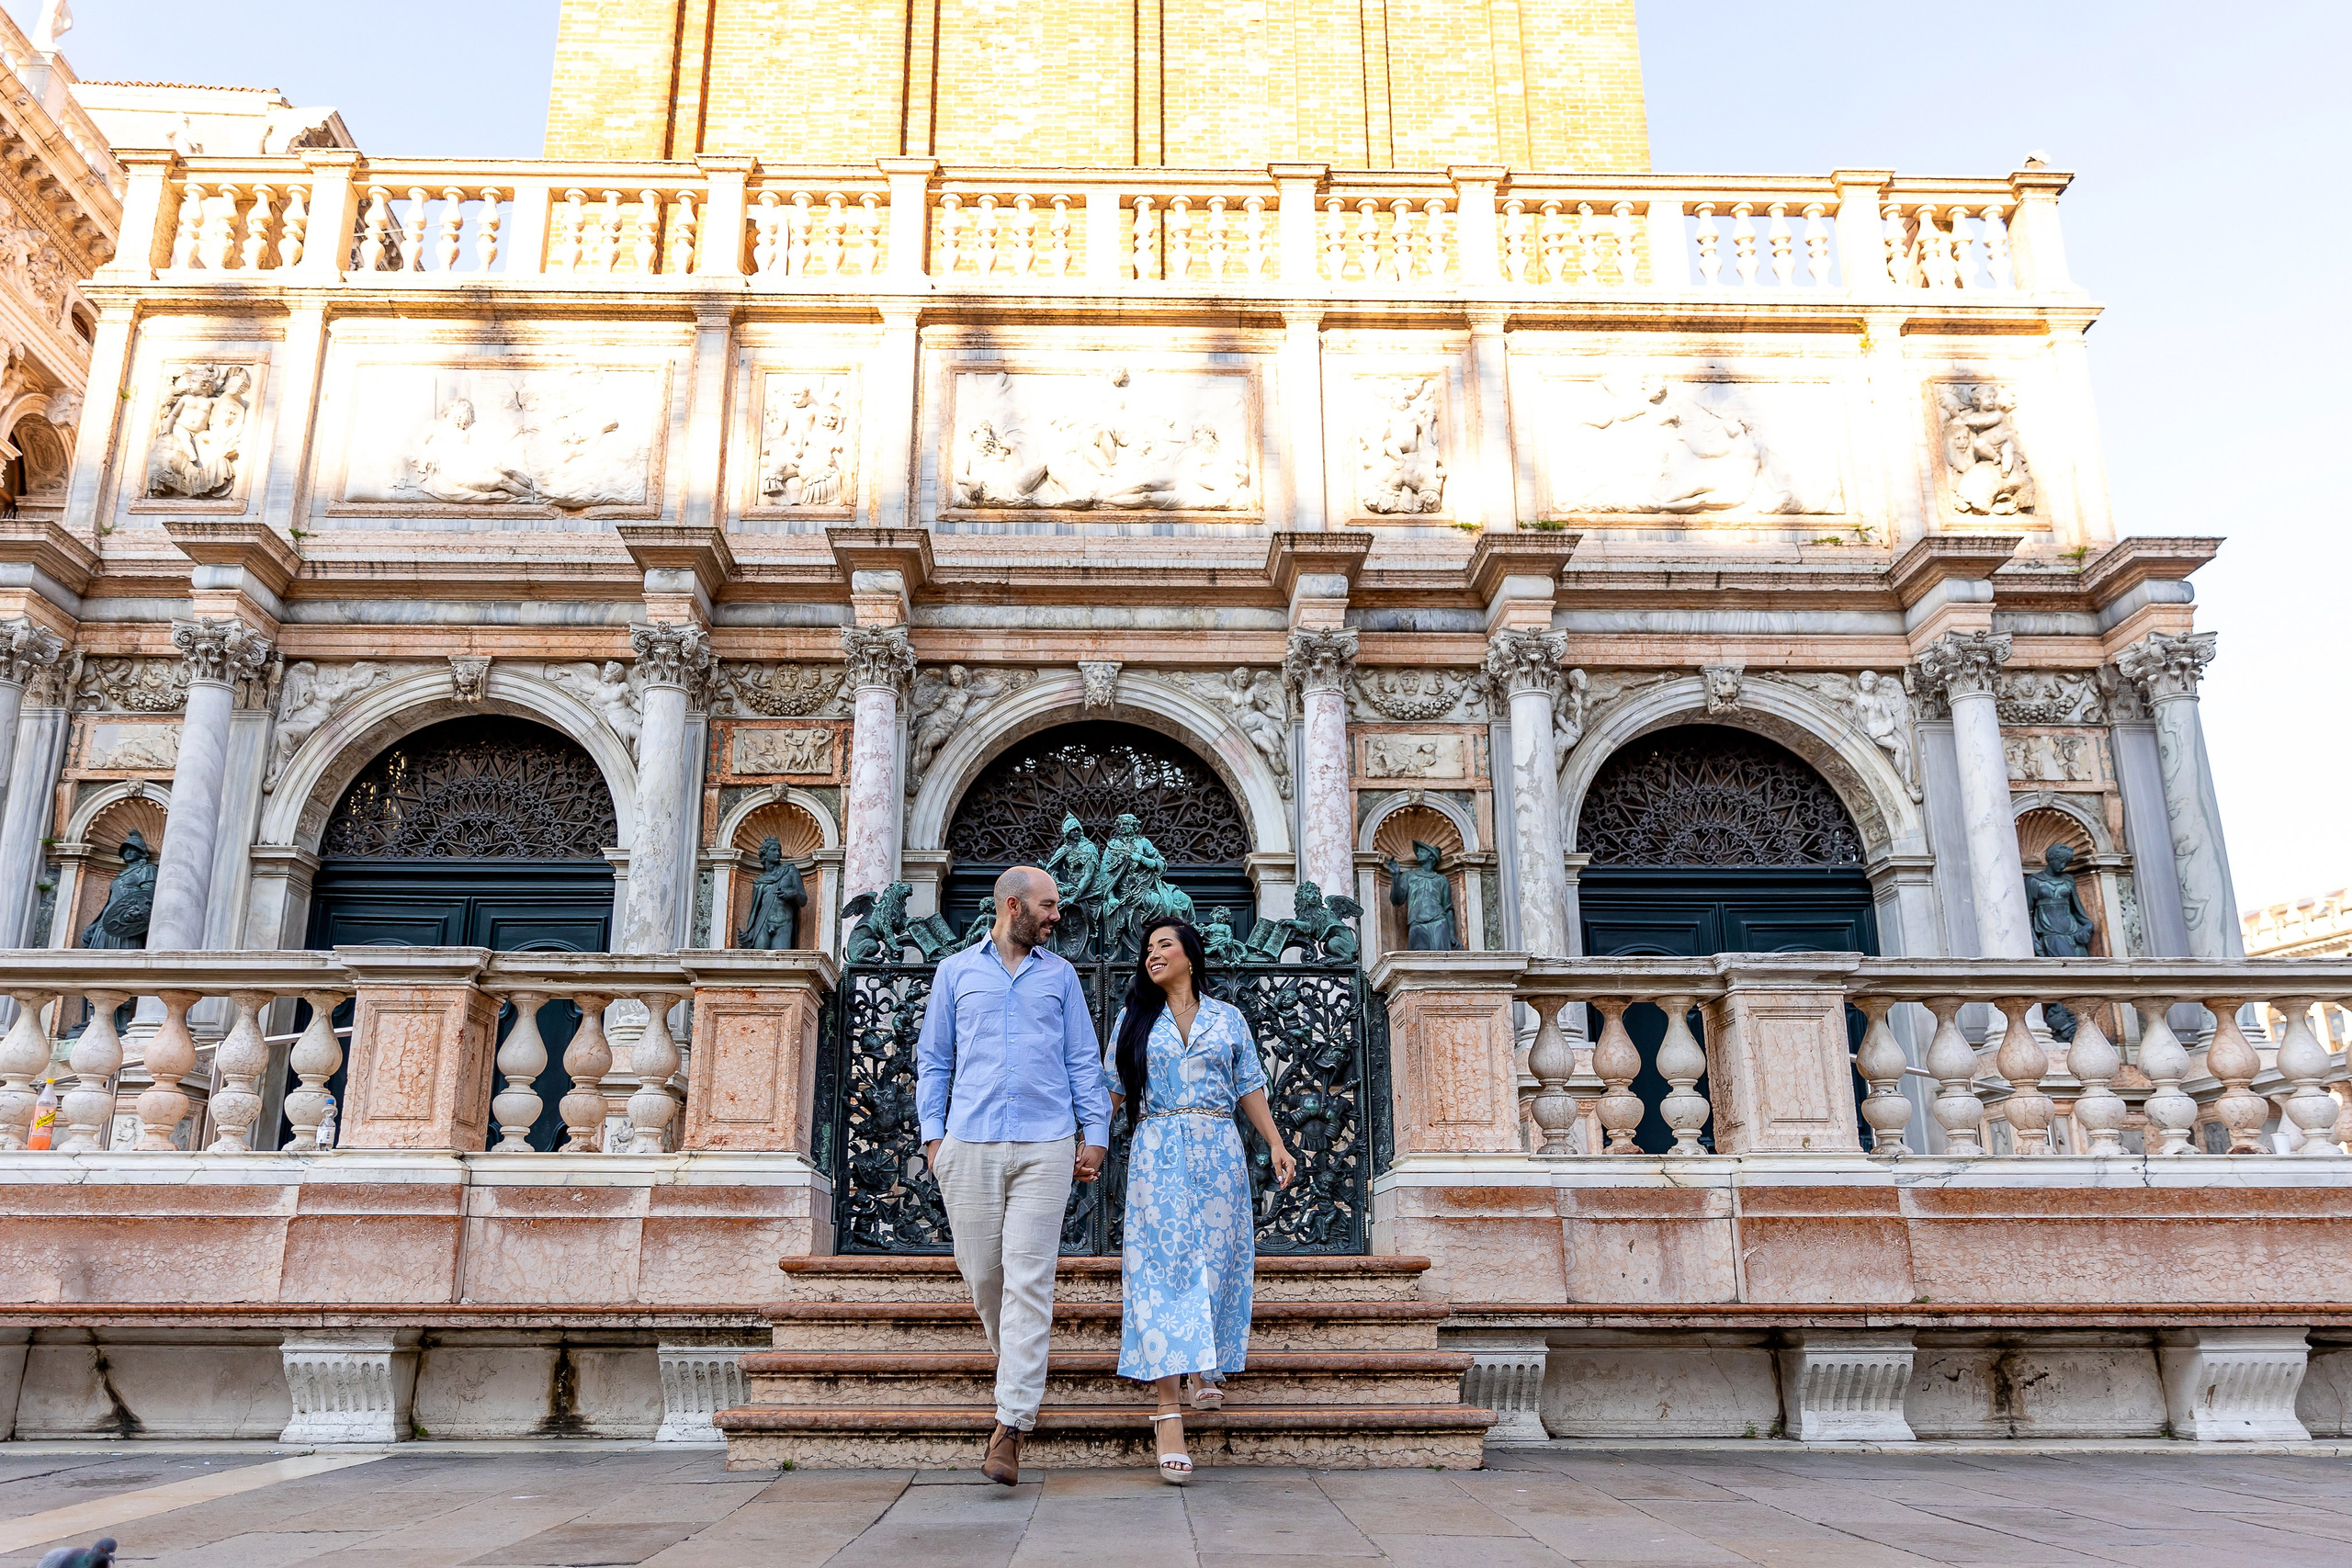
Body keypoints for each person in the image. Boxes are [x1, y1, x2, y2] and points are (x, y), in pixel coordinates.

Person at [917, 864, 1112, 1486]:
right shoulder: (954, 972)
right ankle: (1019, 1375)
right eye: (1049, 906)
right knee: (983, 1276)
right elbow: (934, 1059)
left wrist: (1096, 1134)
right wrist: (933, 1137)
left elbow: (1083, 1059)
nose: (1057, 915)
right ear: (1012, 905)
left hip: (1046, 1143)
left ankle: (1011, 1423)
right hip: (968, 1141)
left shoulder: (1061, 977)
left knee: (1030, 1279)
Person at [1109, 918, 1297, 1483]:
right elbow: (1113, 1092)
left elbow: (1248, 1087)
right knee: (1159, 1271)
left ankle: (1201, 1367)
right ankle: (1168, 1412)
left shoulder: (1227, 1019)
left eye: (1164, 945)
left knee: (1215, 1268)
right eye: (1147, 949)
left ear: (1190, 955)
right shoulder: (1133, 1020)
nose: (1153, 955)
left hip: (1218, 1152)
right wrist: (1086, 1141)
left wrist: (1276, 1143)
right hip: (1157, 1150)